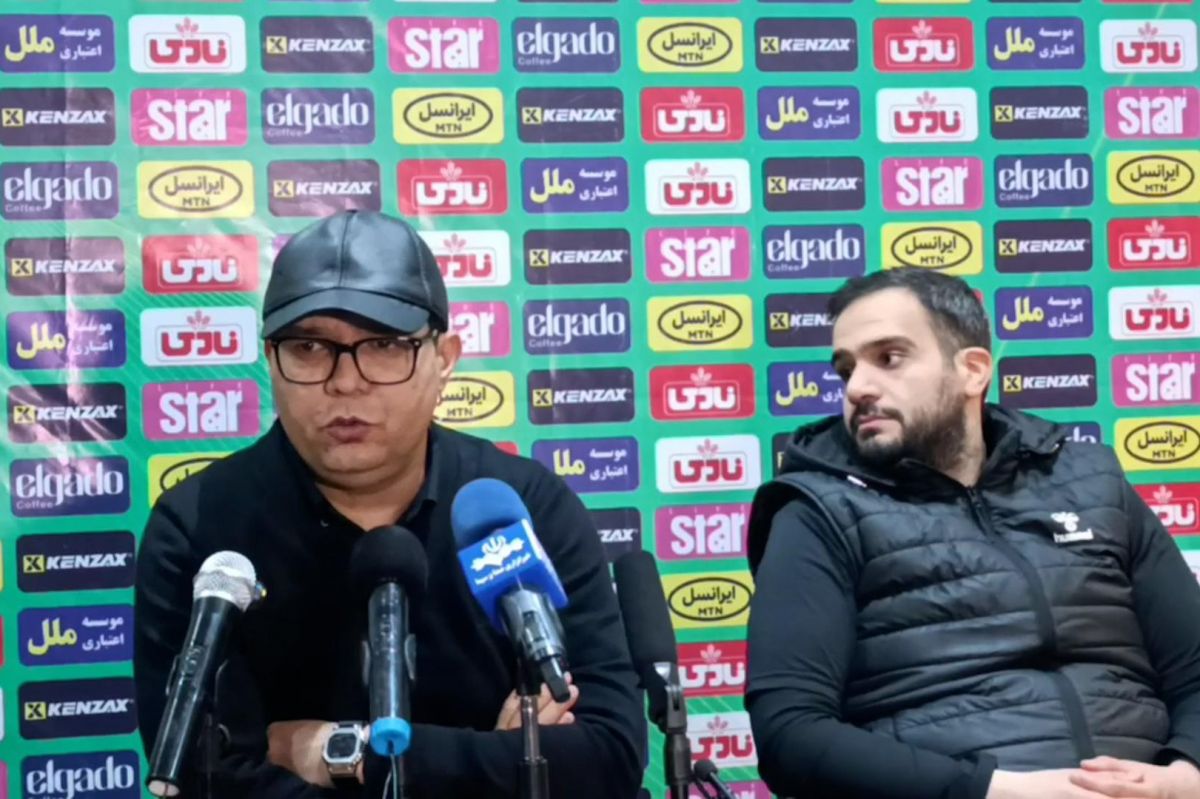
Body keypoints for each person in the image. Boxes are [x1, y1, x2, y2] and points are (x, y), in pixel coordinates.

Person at [133, 210, 644, 798]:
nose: (346, 382)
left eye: (383, 345)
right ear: (271, 360)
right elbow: (203, 779)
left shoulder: (522, 509)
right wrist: (498, 765)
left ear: (444, 359)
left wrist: (342, 751)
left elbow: (608, 758)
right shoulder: (199, 527)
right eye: (309, 346)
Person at [744, 268, 1200, 799]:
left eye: (889, 358)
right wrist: (998, 791)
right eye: (846, 369)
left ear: (973, 371)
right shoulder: (817, 511)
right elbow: (791, 735)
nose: (858, 388)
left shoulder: (1092, 481)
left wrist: (1182, 777)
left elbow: (1193, 669)